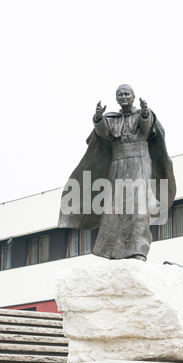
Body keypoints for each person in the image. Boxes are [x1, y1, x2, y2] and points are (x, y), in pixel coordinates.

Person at [58, 84, 176, 261]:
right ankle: (115, 251)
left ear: (133, 97)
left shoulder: (141, 114)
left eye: (126, 94)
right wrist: (98, 118)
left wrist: (145, 113)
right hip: (118, 164)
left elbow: (147, 128)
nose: (123, 97)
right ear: (116, 99)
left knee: (137, 208)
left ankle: (138, 250)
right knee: (114, 208)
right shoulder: (112, 118)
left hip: (140, 161)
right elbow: (104, 133)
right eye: (120, 95)